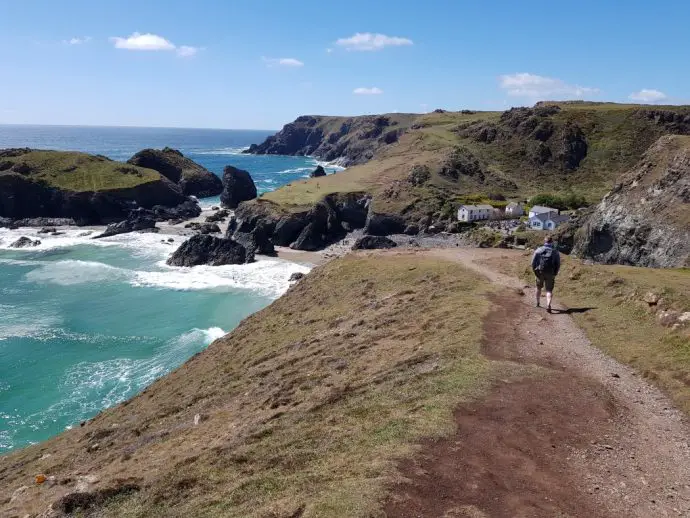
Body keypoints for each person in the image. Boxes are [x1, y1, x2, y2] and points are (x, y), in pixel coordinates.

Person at [531, 236, 560, 313]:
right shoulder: (555, 252)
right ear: (551, 242)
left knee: (538, 287)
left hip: (540, 272)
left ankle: (537, 303)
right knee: (549, 290)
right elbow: (558, 264)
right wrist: (555, 273)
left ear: (545, 241)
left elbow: (533, 263)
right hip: (550, 273)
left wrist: (535, 271)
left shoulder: (539, 250)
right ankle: (548, 305)